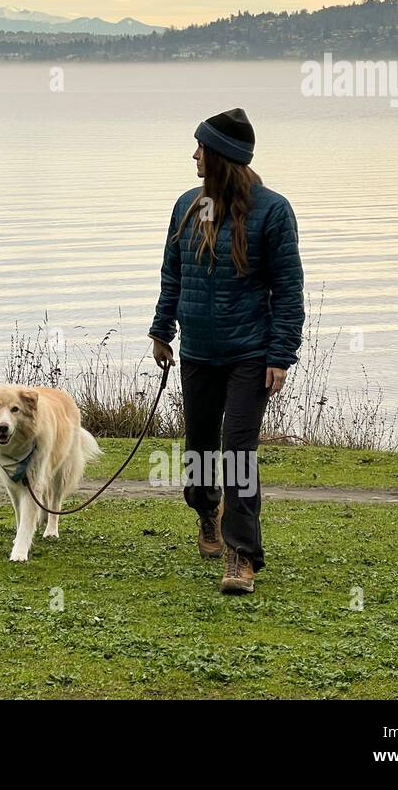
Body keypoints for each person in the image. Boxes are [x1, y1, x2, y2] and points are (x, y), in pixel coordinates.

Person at [148, 108, 304, 594]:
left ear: (220, 157)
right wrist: (162, 330)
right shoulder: (185, 207)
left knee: (237, 451)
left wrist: (280, 355)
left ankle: (242, 556)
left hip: (249, 355)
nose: (193, 155)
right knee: (198, 449)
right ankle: (205, 511)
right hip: (198, 352)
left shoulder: (273, 211)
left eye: (200, 148)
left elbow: (289, 289)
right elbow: (172, 271)